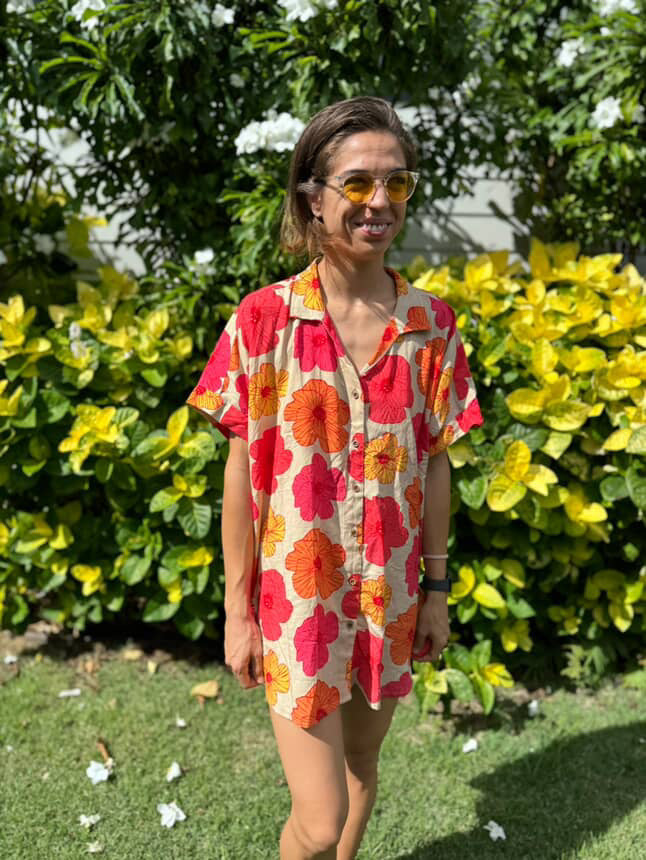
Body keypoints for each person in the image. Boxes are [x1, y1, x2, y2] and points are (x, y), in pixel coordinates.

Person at [186, 96, 484, 860]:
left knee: (360, 769)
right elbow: (241, 474)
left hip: (390, 596)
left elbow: (437, 464)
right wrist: (238, 609)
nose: (378, 203)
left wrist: (437, 594)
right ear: (311, 198)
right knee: (316, 823)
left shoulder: (432, 327)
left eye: (397, 183)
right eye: (356, 184)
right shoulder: (264, 321)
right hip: (299, 605)